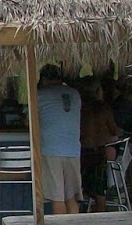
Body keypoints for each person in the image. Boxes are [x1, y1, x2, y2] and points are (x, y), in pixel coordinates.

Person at [35, 65, 84, 214]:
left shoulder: (39, 95)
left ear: (43, 78)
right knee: (71, 197)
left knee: (58, 197)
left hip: (51, 150)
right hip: (73, 150)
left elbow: (28, 121)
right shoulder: (74, 93)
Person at [79, 78, 121, 213]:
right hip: (98, 151)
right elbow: (114, 130)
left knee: (78, 187)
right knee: (99, 190)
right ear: (98, 91)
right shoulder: (104, 108)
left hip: (80, 152)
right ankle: (100, 214)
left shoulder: (79, 107)